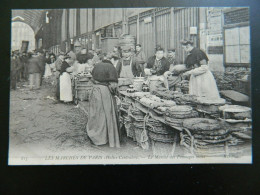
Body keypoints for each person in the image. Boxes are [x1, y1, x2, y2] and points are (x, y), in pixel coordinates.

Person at [87, 62, 121, 148]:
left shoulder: (97, 66)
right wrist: (115, 94)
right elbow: (114, 86)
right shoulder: (111, 68)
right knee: (107, 116)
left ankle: (95, 136)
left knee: (96, 115)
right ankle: (105, 138)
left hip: (95, 91)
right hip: (105, 93)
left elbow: (91, 78)